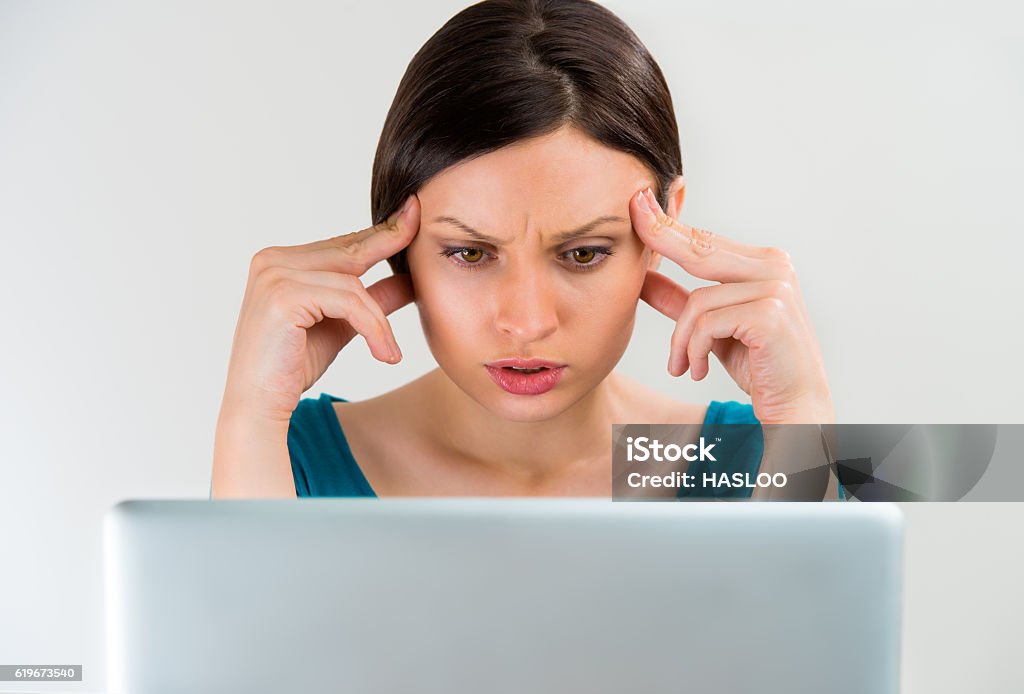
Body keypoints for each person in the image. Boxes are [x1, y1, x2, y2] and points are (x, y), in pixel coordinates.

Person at [210, 0, 837, 500]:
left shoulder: (748, 459)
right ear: (398, 243)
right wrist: (252, 410)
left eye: (584, 253)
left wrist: (803, 420)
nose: (528, 321)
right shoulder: (286, 460)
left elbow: (849, 656)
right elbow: (222, 660)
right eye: (471, 253)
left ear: (664, 224)